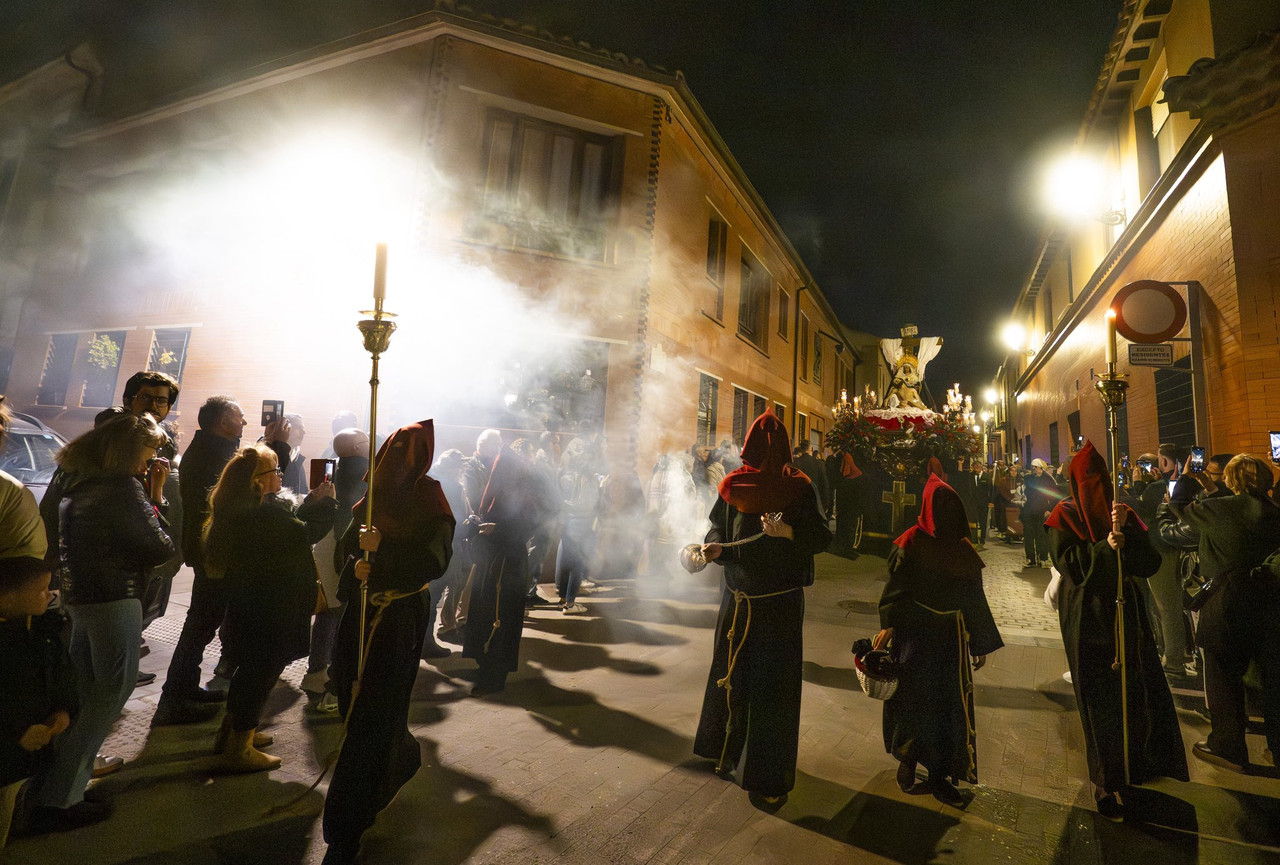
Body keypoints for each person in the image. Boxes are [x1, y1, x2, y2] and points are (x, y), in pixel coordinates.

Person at [29, 414, 175, 830]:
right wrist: (157, 497)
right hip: (114, 598)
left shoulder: (80, 483)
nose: (152, 462)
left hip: (82, 599)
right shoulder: (123, 487)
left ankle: (56, 786)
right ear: (131, 450)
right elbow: (159, 545)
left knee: (87, 692)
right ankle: (60, 800)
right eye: (150, 452)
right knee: (110, 692)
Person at [323, 420, 455, 865]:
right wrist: (355, 567)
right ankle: (397, 756)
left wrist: (383, 554)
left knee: (373, 711)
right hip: (361, 610)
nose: (397, 460)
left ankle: (347, 825)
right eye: (393, 449)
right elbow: (347, 551)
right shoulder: (372, 496)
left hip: (398, 616)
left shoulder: (431, 500)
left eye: (407, 452)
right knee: (350, 695)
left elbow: (433, 563)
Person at [694, 411, 831, 805]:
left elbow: (822, 536)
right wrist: (715, 546)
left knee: (773, 689)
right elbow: (716, 526)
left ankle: (767, 774)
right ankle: (723, 751)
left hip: (778, 607)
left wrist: (789, 532)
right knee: (729, 675)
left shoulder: (800, 488)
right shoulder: (733, 484)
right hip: (736, 600)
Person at [1046, 442, 1187, 817]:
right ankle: (1104, 781)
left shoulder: (1121, 513)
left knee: (1132, 695)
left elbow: (1150, 562)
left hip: (1127, 618)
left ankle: (1134, 769)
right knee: (1099, 703)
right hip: (1088, 620)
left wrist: (1127, 535)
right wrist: (1106, 548)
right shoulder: (1064, 515)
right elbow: (1070, 564)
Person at [155, 396, 289, 724]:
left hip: (211, 547)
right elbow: (246, 484)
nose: (245, 423)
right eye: (239, 418)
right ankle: (175, 698)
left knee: (202, 622)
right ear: (223, 421)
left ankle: (183, 688)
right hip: (216, 549)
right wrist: (277, 449)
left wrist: (267, 444)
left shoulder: (210, 447)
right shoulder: (214, 453)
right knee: (201, 623)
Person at [201, 444, 335, 770]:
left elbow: (292, 532)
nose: (279, 475)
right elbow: (305, 534)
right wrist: (327, 503)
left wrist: (312, 504)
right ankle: (239, 748)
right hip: (271, 610)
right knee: (259, 676)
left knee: (250, 674)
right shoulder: (265, 514)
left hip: (252, 607)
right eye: (274, 471)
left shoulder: (247, 508)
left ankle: (236, 732)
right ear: (258, 481)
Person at [878, 474, 1003, 807]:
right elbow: (895, 592)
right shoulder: (910, 543)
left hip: (948, 642)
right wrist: (888, 627)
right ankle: (907, 764)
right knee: (914, 704)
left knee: (946, 709)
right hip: (915, 641)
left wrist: (978, 642)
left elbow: (973, 598)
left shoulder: (960, 550)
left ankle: (939, 775)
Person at [1169, 453, 1280, 772]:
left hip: (1227, 602)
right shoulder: (1273, 512)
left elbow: (1179, 513)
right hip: (1269, 602)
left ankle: (1227, 745)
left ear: (1232, 480)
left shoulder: (1222, 510)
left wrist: (1187, 480)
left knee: (1223, 677)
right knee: (1273, 679)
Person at [0, 557, 78, 844]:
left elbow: (61, 677)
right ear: (8, 597)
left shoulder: (42, 630)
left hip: (19, 763)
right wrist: (15, 736)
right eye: (42, 589)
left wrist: (64, 711)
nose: (51, 595)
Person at [461, 442, 547, 694]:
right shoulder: (500, 489)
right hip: (493, 559)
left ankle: (495, 673)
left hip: (509, 563)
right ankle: (484, 661)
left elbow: (529, 526)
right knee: (486, 612)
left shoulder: (525, 489)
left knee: (501, 616)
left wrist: (497, 529)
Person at [1021, 459, 1059, 567]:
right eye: (1032, 467)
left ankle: (1042, 557)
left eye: (1035, 467)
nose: (1033, 469)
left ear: (1040, 468)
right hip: (1029, 510)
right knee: (1028, 535)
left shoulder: (1048, 480)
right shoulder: (1028, 479)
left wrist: (1049, 509)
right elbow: (1027, 492)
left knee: (1042, 535)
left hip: (1042, 511)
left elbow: (1053, 495)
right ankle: (1030, 558)